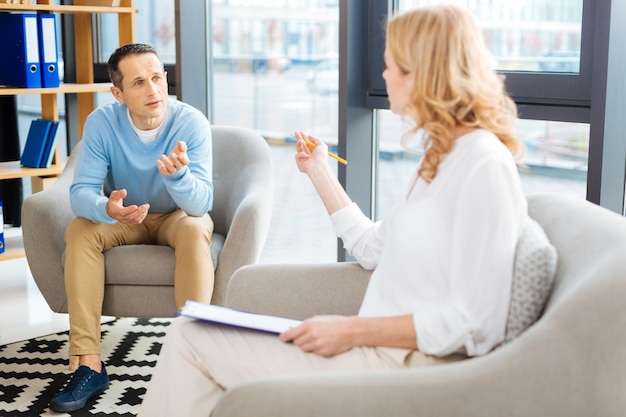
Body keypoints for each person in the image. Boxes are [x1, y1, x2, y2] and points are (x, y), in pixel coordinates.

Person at [139, 4, 527, 416]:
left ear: (424, 74)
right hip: (373, 349)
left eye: (391, 66)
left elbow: (477, 323)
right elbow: (373, 248)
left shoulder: (484, 165)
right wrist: (319, 173)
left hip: (403, 368)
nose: (383, 76)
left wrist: (349, 330)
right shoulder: (442, 157)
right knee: (192, 332)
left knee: (187, 339)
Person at [49, 43, 215, 413]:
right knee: (80, 230)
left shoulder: (191, 122)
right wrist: (106, 208)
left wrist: (180, 176)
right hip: (127, 218)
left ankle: (196, 357)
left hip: (176, 216)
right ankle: (88, 364)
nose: (153, 90)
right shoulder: (102, 122)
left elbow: (201, 204)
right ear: (118, 93)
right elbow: (80, 193)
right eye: (139, 82)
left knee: (193, 227)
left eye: (157, 77)